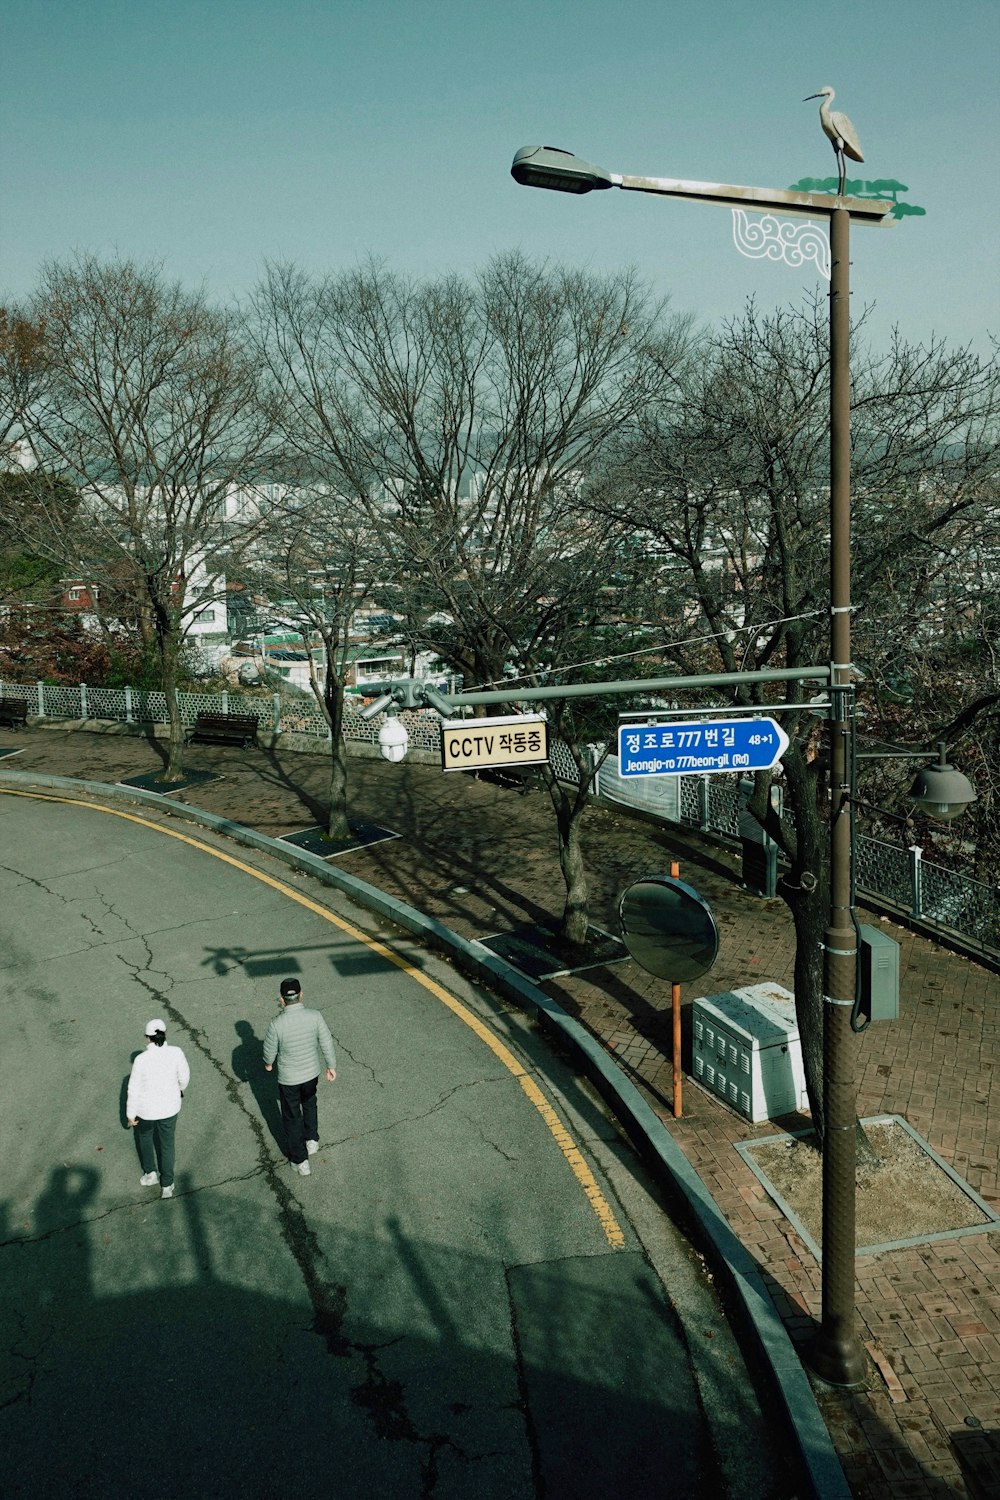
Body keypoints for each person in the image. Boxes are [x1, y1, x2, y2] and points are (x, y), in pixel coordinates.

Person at [263, 978, 337, 1177]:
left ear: (282, 999)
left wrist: (269, 1064)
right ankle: (312, 1140)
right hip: (311, 1074)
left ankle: (300, 1161)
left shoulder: (276, 1023)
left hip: (289, 1079)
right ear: (301, 995)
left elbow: (269, 1051)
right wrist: (331, 1065)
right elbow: (326, 1041)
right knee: (310, 1103)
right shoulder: (315, 1016)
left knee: (292, 1116)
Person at [127, 1019, 190, 1200]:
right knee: (167, 1143)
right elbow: (184, 1077)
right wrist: (180, 1089)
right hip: (170, 1108)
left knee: (145, 1138)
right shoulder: (176, 1053)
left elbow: (133, 1089)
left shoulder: (140, 1060)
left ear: (148, 1038)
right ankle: (167, 1185)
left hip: (146, 1111)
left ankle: (150, 1174)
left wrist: (130, 1114)